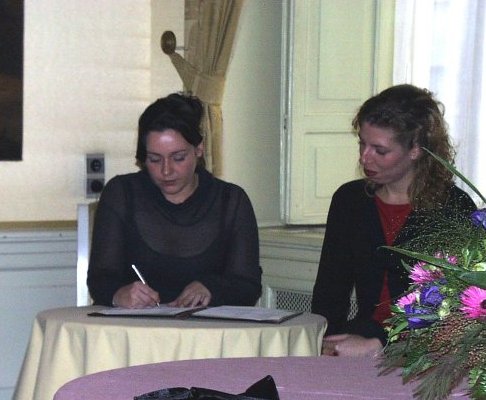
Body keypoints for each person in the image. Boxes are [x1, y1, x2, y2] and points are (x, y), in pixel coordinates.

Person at [311, 84, 476, 357]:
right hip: (359, 339)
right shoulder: (350, 200)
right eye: (362, 143)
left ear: (415, 150)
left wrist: (379, 344)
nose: (364, 157)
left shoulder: (452, 207)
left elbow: (453, 305)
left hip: (425, 353)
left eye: (380, 150)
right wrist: (324, 341)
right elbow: (330, 290)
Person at [87, 92, 262, 308]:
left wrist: (213, 288)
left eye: (178, 158)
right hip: (137, 326)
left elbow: (248, 285)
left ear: (199, 149)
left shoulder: (230, 201)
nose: (166, 171)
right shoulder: (122, 194)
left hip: (209, 328)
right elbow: (99, 279)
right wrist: (119, 294)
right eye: (154, 159)